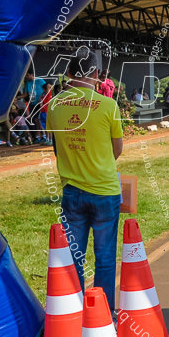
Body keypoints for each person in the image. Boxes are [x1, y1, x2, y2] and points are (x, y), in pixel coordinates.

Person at [46, 47, 124, 315]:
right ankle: (103, 314)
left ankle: (74, 313)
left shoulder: (54, 105)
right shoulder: (108, 106)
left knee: (74, 258)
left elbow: (57, 147)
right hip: (105, 192)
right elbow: (117, 150)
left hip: (72, 192)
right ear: (96, 74)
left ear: (68, 73)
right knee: (104, 259)